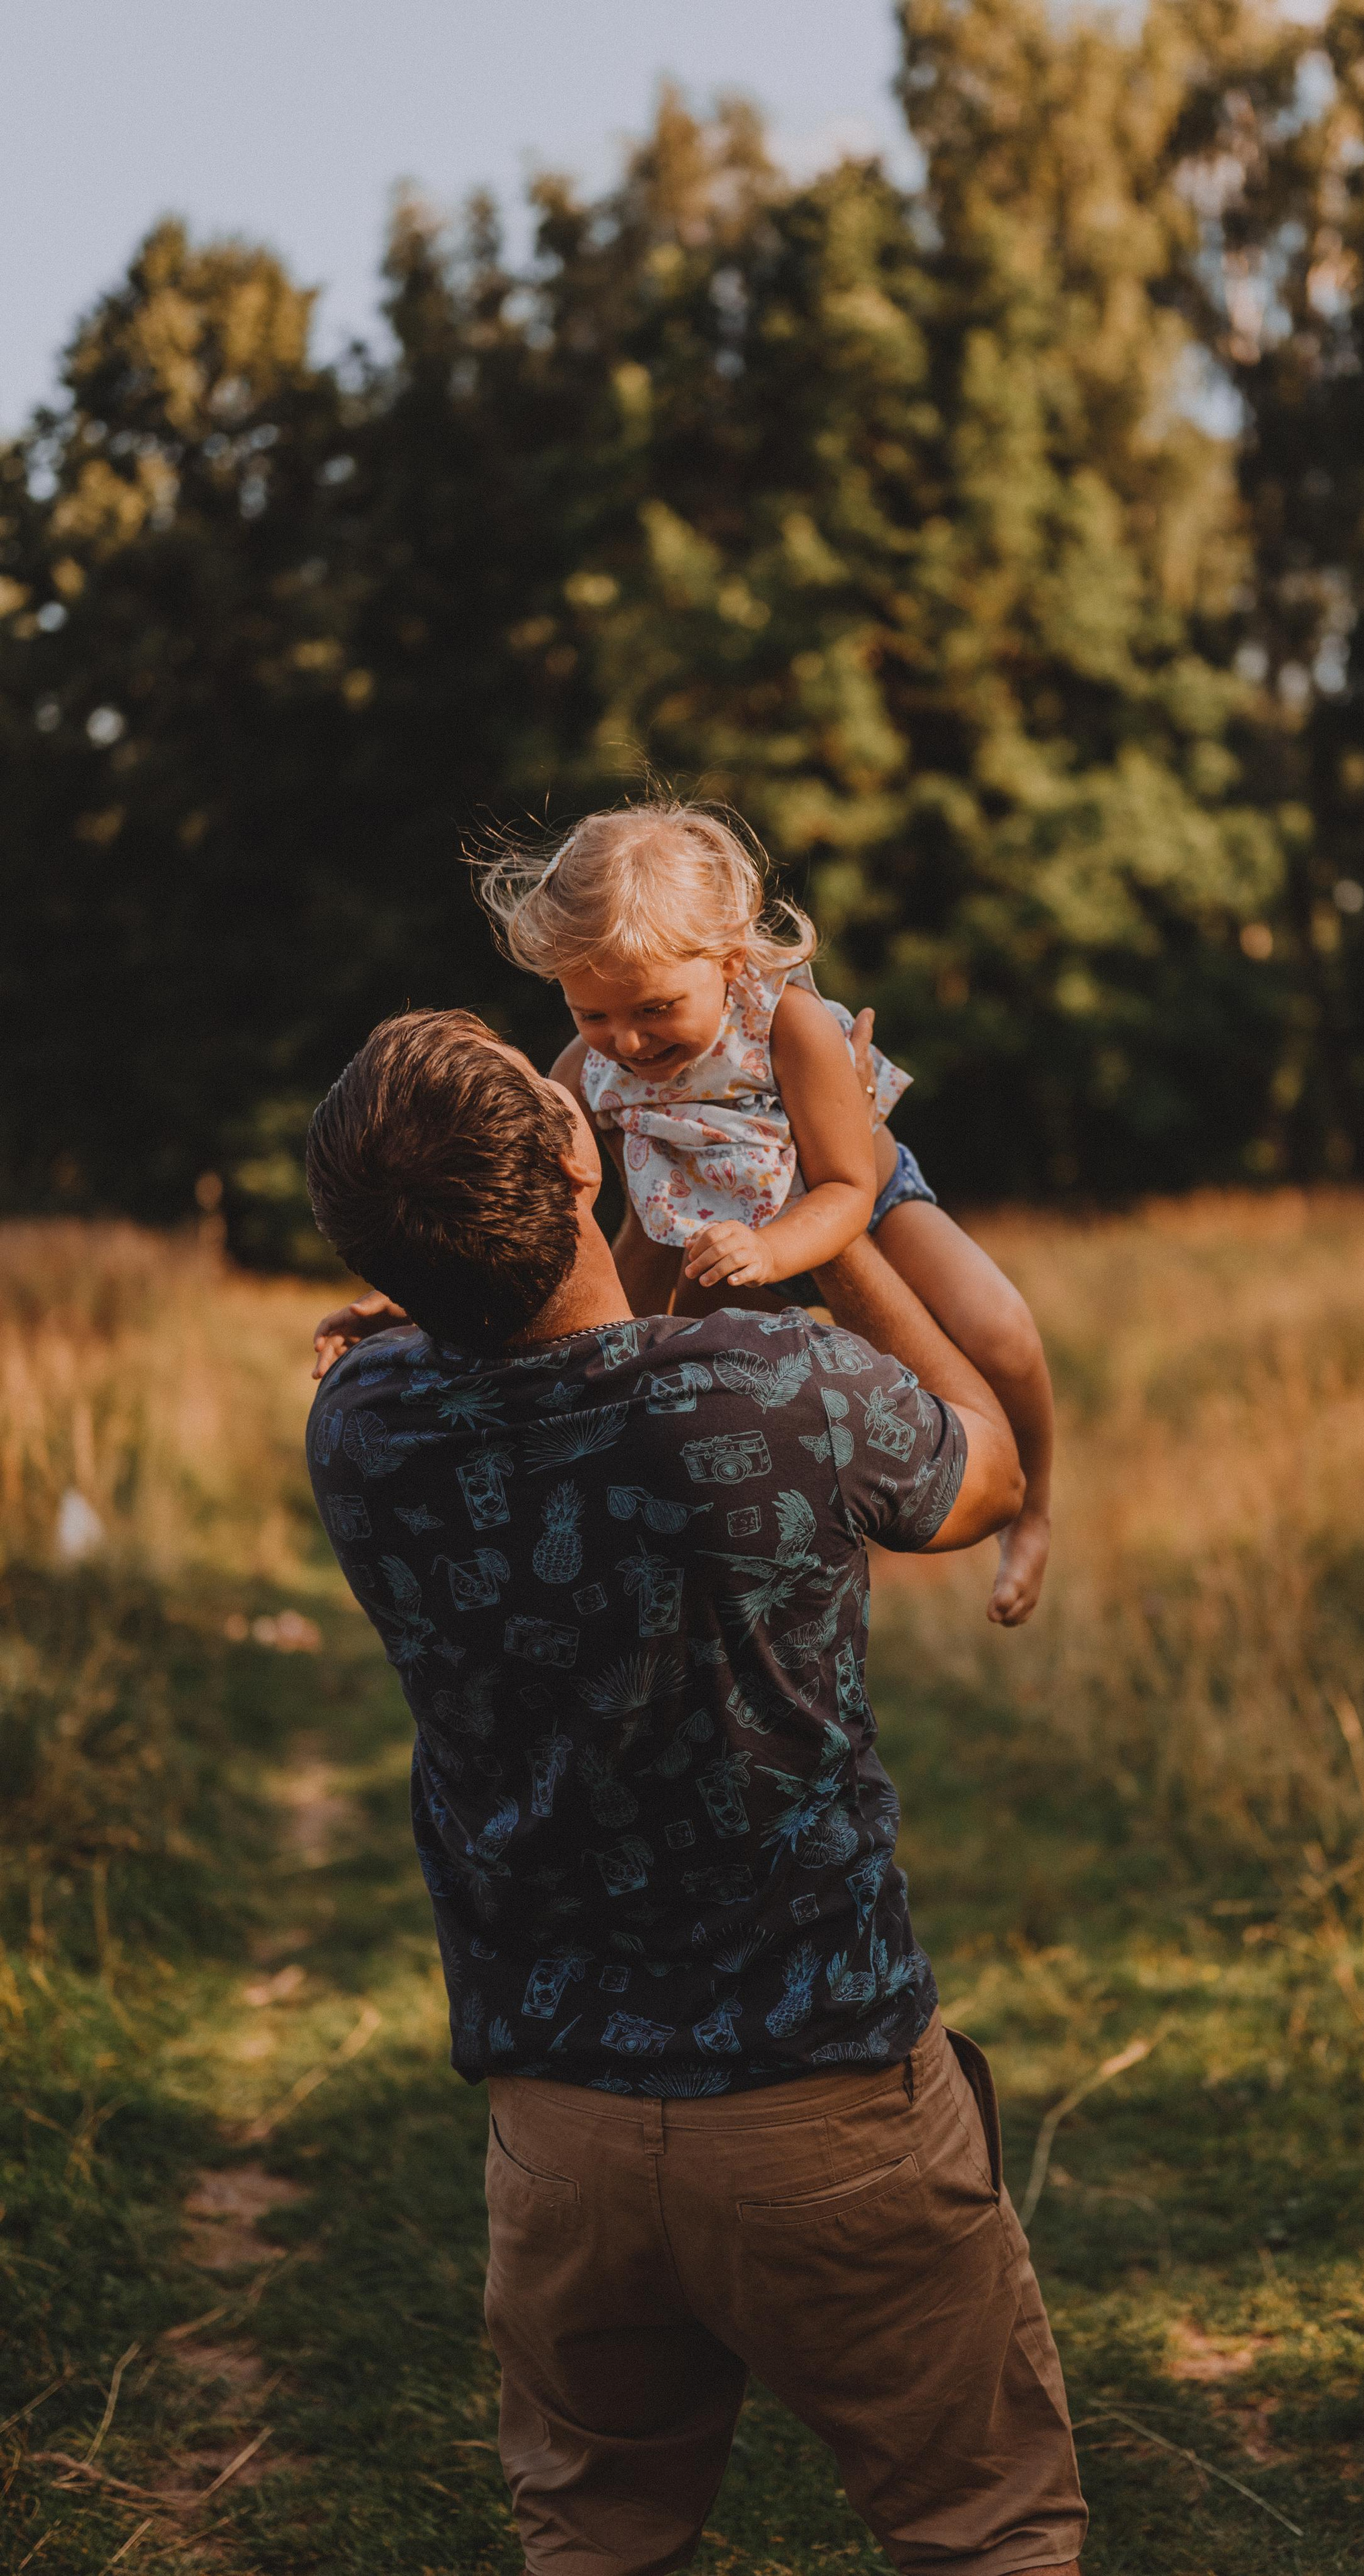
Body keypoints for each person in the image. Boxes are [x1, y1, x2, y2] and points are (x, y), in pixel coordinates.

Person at [302, 1007, 1088, 2576]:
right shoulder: (768, 1380)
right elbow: (988, 1463)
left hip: (557, 2125)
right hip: (826, 2091)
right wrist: (832, 1203)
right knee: (983, 2530)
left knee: (594, 2540)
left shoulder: (362, 1420)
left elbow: (497, 1312)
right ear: (584, 1151)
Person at [473, 800, 1054, 1626]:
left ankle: (1030, 1515)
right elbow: (516, 1188)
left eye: (654, 1009)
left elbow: (846, 1188)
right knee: (643, 1403)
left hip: (860, 1208)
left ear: (731, 959)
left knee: (997, 1330)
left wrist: (775, 1249)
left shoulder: (788, 1025)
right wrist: (409, 1291)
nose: (627, 1044)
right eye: (591, 1014)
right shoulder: (586, 1067)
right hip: (709, 1245)